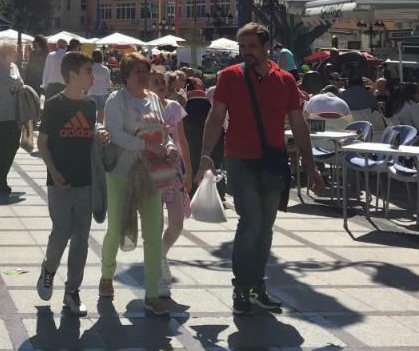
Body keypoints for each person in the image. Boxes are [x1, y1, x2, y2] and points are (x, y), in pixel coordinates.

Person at [198, 23, 323, 316]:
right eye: (243, 48)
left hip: (273, 161)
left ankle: (256, 286)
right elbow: (216, 117)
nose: (246, 53)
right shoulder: (230, 77)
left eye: (252, 47)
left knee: (265, 227)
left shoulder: (286, 81)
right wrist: (205, 154)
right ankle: (242, 286)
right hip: (239, 159)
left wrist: (310, 164)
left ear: (266, 47)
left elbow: (298, 123)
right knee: (251, 221)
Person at [97, 52, 177, 317]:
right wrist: (146, 144)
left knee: (153, 233)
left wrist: (170, 147)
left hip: (151, 175)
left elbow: (164, 132)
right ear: (126, 75)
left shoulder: (154, 99)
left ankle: (152, 294)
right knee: (116, 228)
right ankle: (107, 274)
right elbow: (116, 134)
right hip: (122, 174)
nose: (143, 76)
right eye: (137, 72)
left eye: (146, 71)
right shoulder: (116, 100)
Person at [36, 51, 96, 317]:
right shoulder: (54, 104)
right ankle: (48, 270)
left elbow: (92, 140)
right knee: (61, 231)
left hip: (85, 181)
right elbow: (43, 142)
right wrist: (53, 170)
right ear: (72, 75)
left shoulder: (91, 106)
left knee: (81, 238)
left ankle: (72, 291)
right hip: (59, 180)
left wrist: (102, 136)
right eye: (88, 72)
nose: (93, 76)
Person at [149, 69, 191, 286]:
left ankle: (160, 254)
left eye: (163, 82)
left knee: (176, 224)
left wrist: (189, 170)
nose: (161, 85)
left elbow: (182, 140)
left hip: (174, 171)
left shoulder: (174, 108)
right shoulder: (144, 108)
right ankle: (157, 262)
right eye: (155, 82)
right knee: (154, 224)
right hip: (151, 171)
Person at [0, 42, 24, 196]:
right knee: (2, 148)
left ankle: (1, 169)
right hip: (1, 115)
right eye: (15, 51)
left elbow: (20, 85)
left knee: (14, 145)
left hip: (16, 115)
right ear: (6, 52)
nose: (17, 54)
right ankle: (2, 179)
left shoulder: (15, 67)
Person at [88, 49, 112, 117]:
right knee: (101, 114)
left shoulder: (90, 68)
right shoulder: (105, 69)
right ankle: (100, 126)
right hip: (103, 93)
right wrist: (109, 89)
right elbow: (108, 82)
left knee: (91, 114)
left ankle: (92, 126)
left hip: (91, 92)